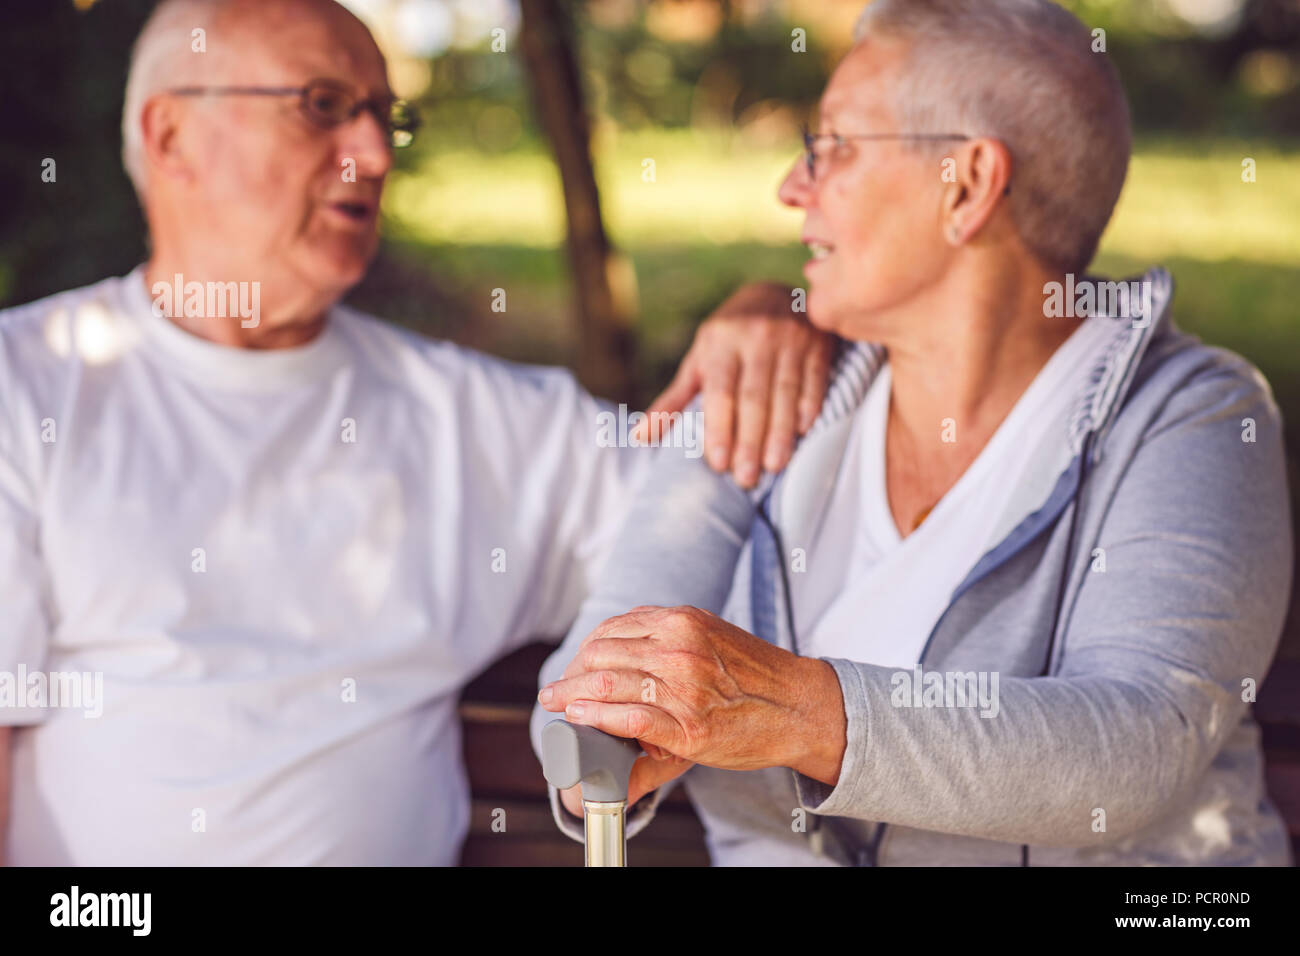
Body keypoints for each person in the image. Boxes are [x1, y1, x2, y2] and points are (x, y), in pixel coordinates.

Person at [0, 0, 833, 865]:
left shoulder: (475, 419)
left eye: (381, 117)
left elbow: (706, 497)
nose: (372, 155)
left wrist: (774, 307)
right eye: (321, 105)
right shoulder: (28, 390)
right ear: (170, 135)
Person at [533, 0, 1294, 865]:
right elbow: (574, 700)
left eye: (833, 147)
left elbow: (1131, 747)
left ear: (964, 186)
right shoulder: (763, 388)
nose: (791, 185)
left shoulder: (1190, 416)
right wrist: (607, 734)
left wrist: (789, 711)